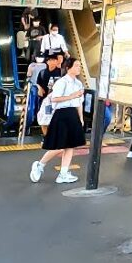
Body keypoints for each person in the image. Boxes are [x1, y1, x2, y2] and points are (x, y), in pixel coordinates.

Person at [29, 57, 86, 185]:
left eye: (79, 66)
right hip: (61, 114)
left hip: (73, 114)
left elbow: (79, 103)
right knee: (59, 146)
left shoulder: (78, 84)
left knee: (70, 145)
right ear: (68, 67)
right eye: (76, 66)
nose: (79, 68)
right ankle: (40, 165)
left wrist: (80, 118)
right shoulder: (62, 82)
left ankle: (63, 174)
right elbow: (55, 99)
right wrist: (72, 96)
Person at [35, 53, 64, 135]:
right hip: (45, 100)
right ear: (47, 62)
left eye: (55, 60)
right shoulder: (42, 72)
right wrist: (39, 88)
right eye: (51, 60)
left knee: (54, 118)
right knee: (44, 118)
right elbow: (37, 83)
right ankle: (46, 137)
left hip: (56, 100)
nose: (53, 62)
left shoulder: (61, 73)